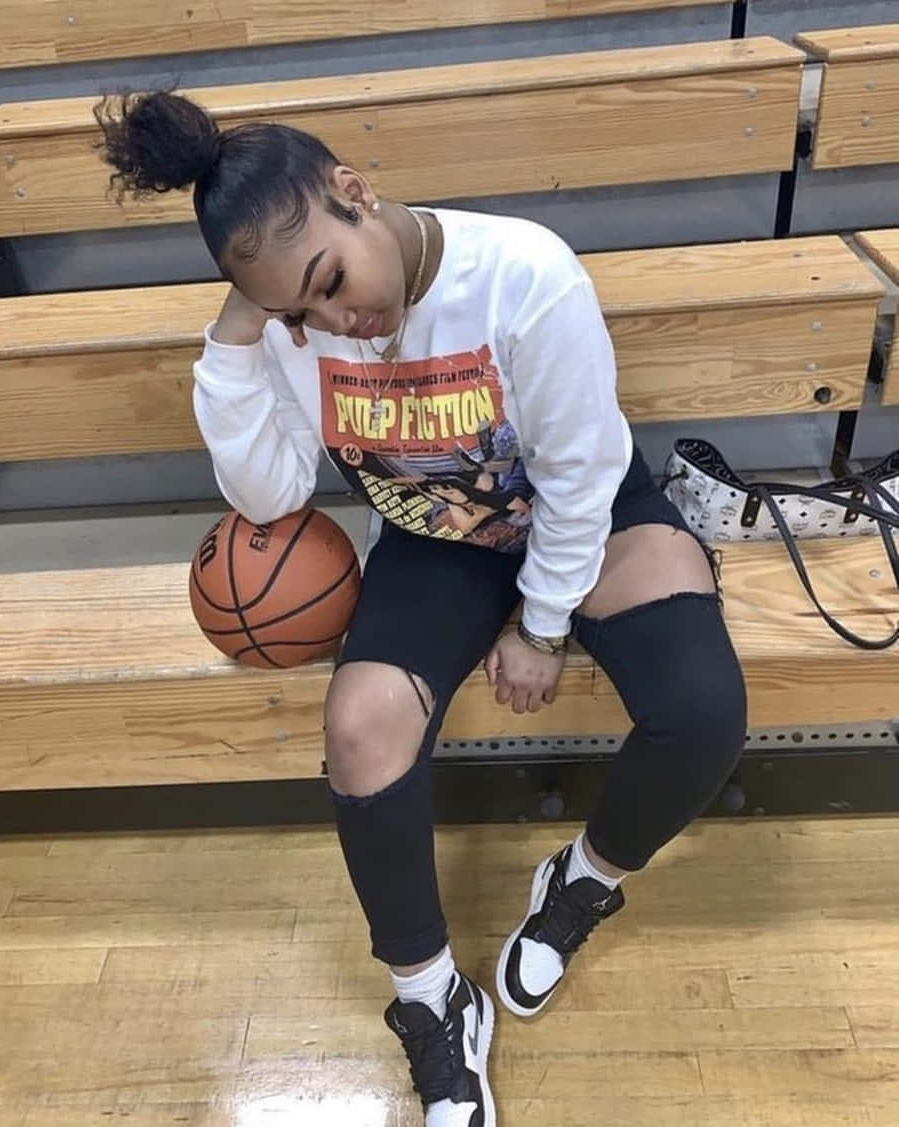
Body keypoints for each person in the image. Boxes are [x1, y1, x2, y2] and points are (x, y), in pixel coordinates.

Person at [96, 90, 748, 1127]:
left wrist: (538, 625)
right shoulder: (281, 320)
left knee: (703, 707)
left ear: (353, 193)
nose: (334, 322)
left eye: (330, 283)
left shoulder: (523, 273)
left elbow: (580, 479)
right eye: (300, 312)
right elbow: (268, 497)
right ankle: (431, 997)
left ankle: (579, 883)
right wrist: (236, 338)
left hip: (576, 515)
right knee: (357, 733)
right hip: (433, 536)